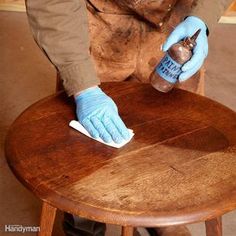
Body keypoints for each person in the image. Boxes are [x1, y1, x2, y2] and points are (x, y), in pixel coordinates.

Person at [25, 0, 232, 235]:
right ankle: (84, 224)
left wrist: (202, 18)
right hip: (99, 26)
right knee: (85, 154)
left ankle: (161, 214)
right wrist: (83, 86)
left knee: (171, 136)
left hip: (174, 27)